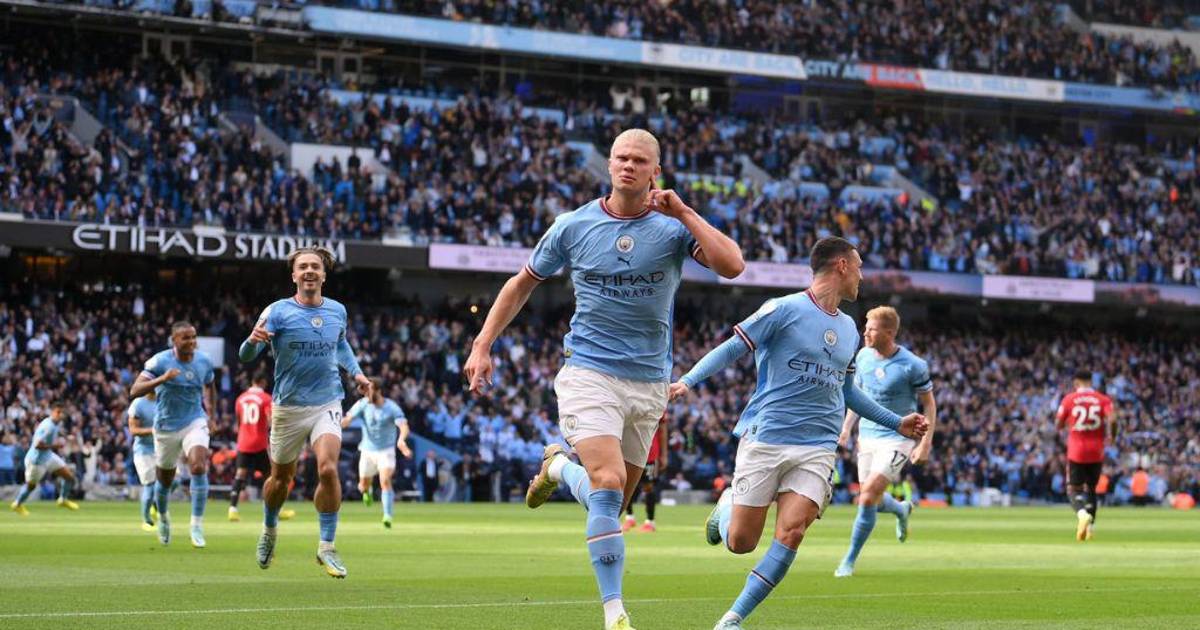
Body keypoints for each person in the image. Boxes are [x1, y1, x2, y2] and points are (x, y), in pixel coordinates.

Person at [465, 128, 744, 630]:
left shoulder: (673, 230)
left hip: (650, 383)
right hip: (588, 373)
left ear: (656, 171)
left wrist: (684, 212)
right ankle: (615, 612)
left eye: (639, 160)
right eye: (620, 158)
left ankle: (557, 469)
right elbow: (522, 283)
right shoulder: (573, 226)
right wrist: (483, 343)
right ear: (609, 165)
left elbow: (733, 265)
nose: (628, 166)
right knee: (608, 482)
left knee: (610, 503)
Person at [670, 237, 928, 630]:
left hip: (817, 447)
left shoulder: (848, 329)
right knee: (741, 543)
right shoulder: (783, 309)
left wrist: (897, 422)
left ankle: (732, 619)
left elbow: (846, 392)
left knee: (791, 532)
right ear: (841, 265)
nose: (861, 276)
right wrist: (687, 381)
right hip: (767, 436)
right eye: (858, 267)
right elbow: (732, 348)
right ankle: (727, 506)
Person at [239, 246, 370, 579]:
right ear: (294, 275)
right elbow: (245, 356)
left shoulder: (337, 310)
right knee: (280, 480)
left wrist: (357, 373)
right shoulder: (277, 312)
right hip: (288, 406)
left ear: (323, 275)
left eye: (315, 266)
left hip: (327, 402)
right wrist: (252, 341)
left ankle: (327, 546)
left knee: (328, 468)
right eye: (303, 267)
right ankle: (269, 529)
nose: (309, 270)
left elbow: (341, 344)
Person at [834, 305, 936, 577]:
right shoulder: (863, 356)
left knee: (867, 495)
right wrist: (846, 428)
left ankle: (848, 560)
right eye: (866, 327)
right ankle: (901, 509)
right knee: (873, 500)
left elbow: (929, 405)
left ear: (889, 333)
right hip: (867, 436)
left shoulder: (913, 365)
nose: (865, 333)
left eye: (872, 329)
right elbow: (858, 396)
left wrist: (925, 443)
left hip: (898, 439)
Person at [130, 321, 216, 548]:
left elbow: (210, 386)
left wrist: (211, 415)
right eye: (186, 338)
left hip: (194, 420)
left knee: (198, 466)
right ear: (174, 340)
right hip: (166, 427)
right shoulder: (159, 362)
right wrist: (162, 379)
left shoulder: (204, 361)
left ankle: (196, 525)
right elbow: (134, 390)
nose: (191, 342)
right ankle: (164, 518)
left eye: (194, 337)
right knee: (164, 480)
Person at [1055, 370, 1116, 540]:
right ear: (1091, 381)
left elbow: (1058, 423)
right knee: (1091, 488)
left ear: (1076, 382)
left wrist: (1065, 424)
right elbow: (1113, 419)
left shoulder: (1069, 399)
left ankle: (1082, 514)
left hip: (1077, 451)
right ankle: (1090, 529)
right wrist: (1112, 436)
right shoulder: (1102, 399)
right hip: (1096, 450)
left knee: (1073, 489)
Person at [342, 377, 411, 528]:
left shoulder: (391, 407)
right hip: (367, 450)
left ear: (378, 391)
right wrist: (340, 424)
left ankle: (387, 516)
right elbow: (348, 418)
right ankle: (367, 491)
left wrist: (401, 440)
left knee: (385, 480)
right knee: (363, 486)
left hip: (386, 450)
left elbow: (403, 425)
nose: (367, 393)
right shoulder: (363, 404)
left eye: (370, 390)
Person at [229, 375, 294, 523]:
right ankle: (276, 510)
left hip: (244, 442)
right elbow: (271, 420)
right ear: (263, 382)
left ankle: (232, 509)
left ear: (252, 382)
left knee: (240, 475)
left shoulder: (240, 398)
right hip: (259, 442)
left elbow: (238, 422)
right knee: (271, 476)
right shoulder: (266, 398)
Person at [10, 403, 80, 515]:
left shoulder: (55, 424)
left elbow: (55, 433)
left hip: (48, 456)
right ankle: (17, 504)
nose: (60, 415)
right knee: (31, 487)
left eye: (61, 412)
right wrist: (55, 446)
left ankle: (63, 499)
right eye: (58, 412)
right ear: (52, 412)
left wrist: (66, 437)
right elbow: (37, 445)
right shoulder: (47, 426)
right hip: (36, 462)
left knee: (69, 477)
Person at [623, 413, 668, 533]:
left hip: (649, 452)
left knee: (648, 486)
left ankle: (650, 522)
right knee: (626, 483)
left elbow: (663, 429)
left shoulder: (658, 404)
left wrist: (664, 455)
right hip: (628, 450)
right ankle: (630, 518)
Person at [127, 391, 159, 532]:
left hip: (161, 448)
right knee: (150, 485)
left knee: (174, 480)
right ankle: (146, 521)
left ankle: (155, 503)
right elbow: (133, 430)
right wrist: (153, 431)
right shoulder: (138, 404)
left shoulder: (163, 401)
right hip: (144, 451)